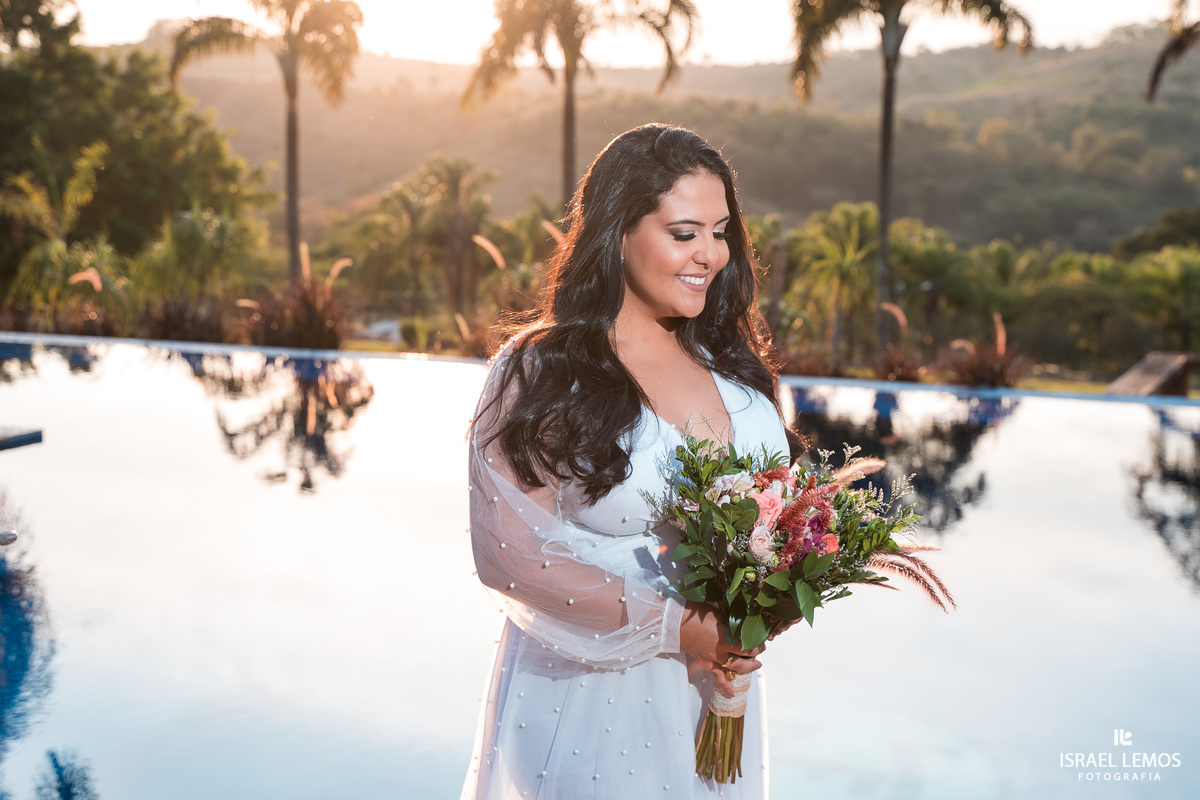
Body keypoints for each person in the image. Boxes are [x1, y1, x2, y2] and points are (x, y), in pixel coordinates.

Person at [462, 124, 793, 799]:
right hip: (587, 704)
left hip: (712, 699)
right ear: (617, 232)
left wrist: (771, 602)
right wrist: (678, 626)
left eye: (721, 231)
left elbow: (776, 524)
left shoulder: (738, 369)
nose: (711, 254)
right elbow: (509, 554)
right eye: (684, 233)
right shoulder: (543, 370)